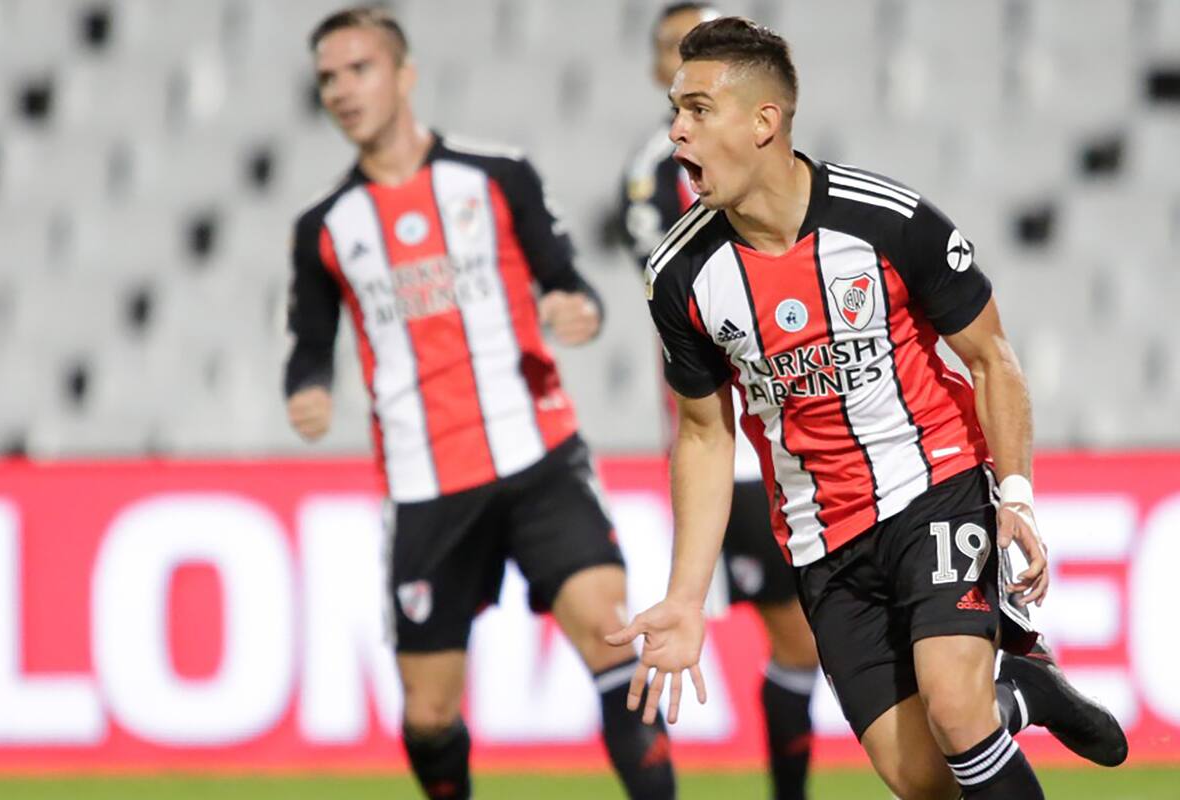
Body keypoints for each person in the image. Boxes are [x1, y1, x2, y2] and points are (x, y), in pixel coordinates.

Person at [608, 16, 1127, 800]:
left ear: (763, 122)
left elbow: (992, 359)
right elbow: (706, 437)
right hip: (822, 536)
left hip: (934, 481)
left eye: (698, 110)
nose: (676, 129)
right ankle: (1020, 693)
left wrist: (1015, 493)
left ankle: (990, 697)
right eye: (676, 109)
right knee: (920, 778)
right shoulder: (680, 273)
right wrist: (685, 599)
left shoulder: (887, 220)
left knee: (956, 710)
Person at [284, 8, 675, 799]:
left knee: (612, 635)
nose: (342, 90)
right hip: (428, 488)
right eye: (328, 78)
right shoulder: (325, 227)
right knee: (428, 715)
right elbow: (308, 343)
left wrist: (579, 311)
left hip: (538, 456)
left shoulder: (498, 176)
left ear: (404, 74)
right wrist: (307, 390)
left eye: (358, 69)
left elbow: (570, 283)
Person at [619, 5, 818, 798]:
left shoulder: (776, 166)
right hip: (733, 448)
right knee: (798, 636)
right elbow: (692, 297)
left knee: (812, 638)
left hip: (808, 436)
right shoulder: (651, 175)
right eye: (671, 54)